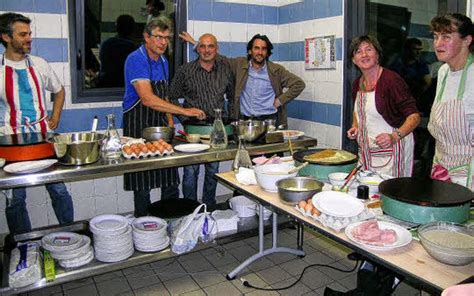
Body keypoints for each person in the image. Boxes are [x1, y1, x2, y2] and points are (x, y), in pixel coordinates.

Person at [123, 19, 205, 217]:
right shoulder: (136, 59)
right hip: (138, 125)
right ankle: (143, 226)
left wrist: (170, 121)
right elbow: (148, 99)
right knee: (142, 183)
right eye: (159, 37)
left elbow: (164, 95)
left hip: (160, 126)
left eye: (166, 38)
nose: (163, 42)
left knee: (169, 177)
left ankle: (172, 223)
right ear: (146, 37)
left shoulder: (163, 61)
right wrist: (184, 111)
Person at [0, 13, 73, 233]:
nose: (29, 38)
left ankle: (70, 233)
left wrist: (55, 119)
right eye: (23, 34)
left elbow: (59, 91)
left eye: (29, 33)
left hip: (43, 137)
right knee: (16, 198)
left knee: (59, 190)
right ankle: (24, 243)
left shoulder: (40, 64)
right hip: (11, 142)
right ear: (5, 37)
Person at [179, 32, 305, 126]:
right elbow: (216, 56)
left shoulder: (276, 70)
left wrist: (280, 100)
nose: (259, 52)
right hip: (245, 121)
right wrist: (196, 44)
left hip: (269, 121)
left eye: (263, 49)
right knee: (247, 160)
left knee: (273, 159)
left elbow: (299, 84)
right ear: (250, 51)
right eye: (256, 48)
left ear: (267, 52)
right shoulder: (239, 64)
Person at [169, 33, 234, 208]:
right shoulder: (185, 70)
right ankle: (191, 209)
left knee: (213, 170)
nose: (206, 50)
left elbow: (232, 96)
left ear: (216, 48)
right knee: (191, 171)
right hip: (193, 130)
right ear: (197, 49)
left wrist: (232, 122)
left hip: (217, 129)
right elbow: (171, 97)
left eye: (210, 46)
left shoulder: (225, 69)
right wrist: (184, 117)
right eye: (203, 46)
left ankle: (209, 205)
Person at [347, 35, 420, 177]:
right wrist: (355, 126)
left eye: (369, 49)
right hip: (367, 152)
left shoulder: (391, 80)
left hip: (393, 151)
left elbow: (414, 117)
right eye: (358, 52)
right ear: (354, 60)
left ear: (378, 55)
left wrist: (394, 136)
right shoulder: (357, 83)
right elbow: (359, 111)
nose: (364, 55)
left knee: (389, 193)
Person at [428, 13, 474, 189]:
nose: (438, 43)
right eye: (436, 36)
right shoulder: (443, 72)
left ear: (467, 40)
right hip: (441, 169)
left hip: (468, 175)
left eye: (446, 37)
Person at [98, 14, 137, 87]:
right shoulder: (134, 48)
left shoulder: (107, 44)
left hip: (106, 84)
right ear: (133, 29)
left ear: (116, 27)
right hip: (124, 85)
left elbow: (102, 61)